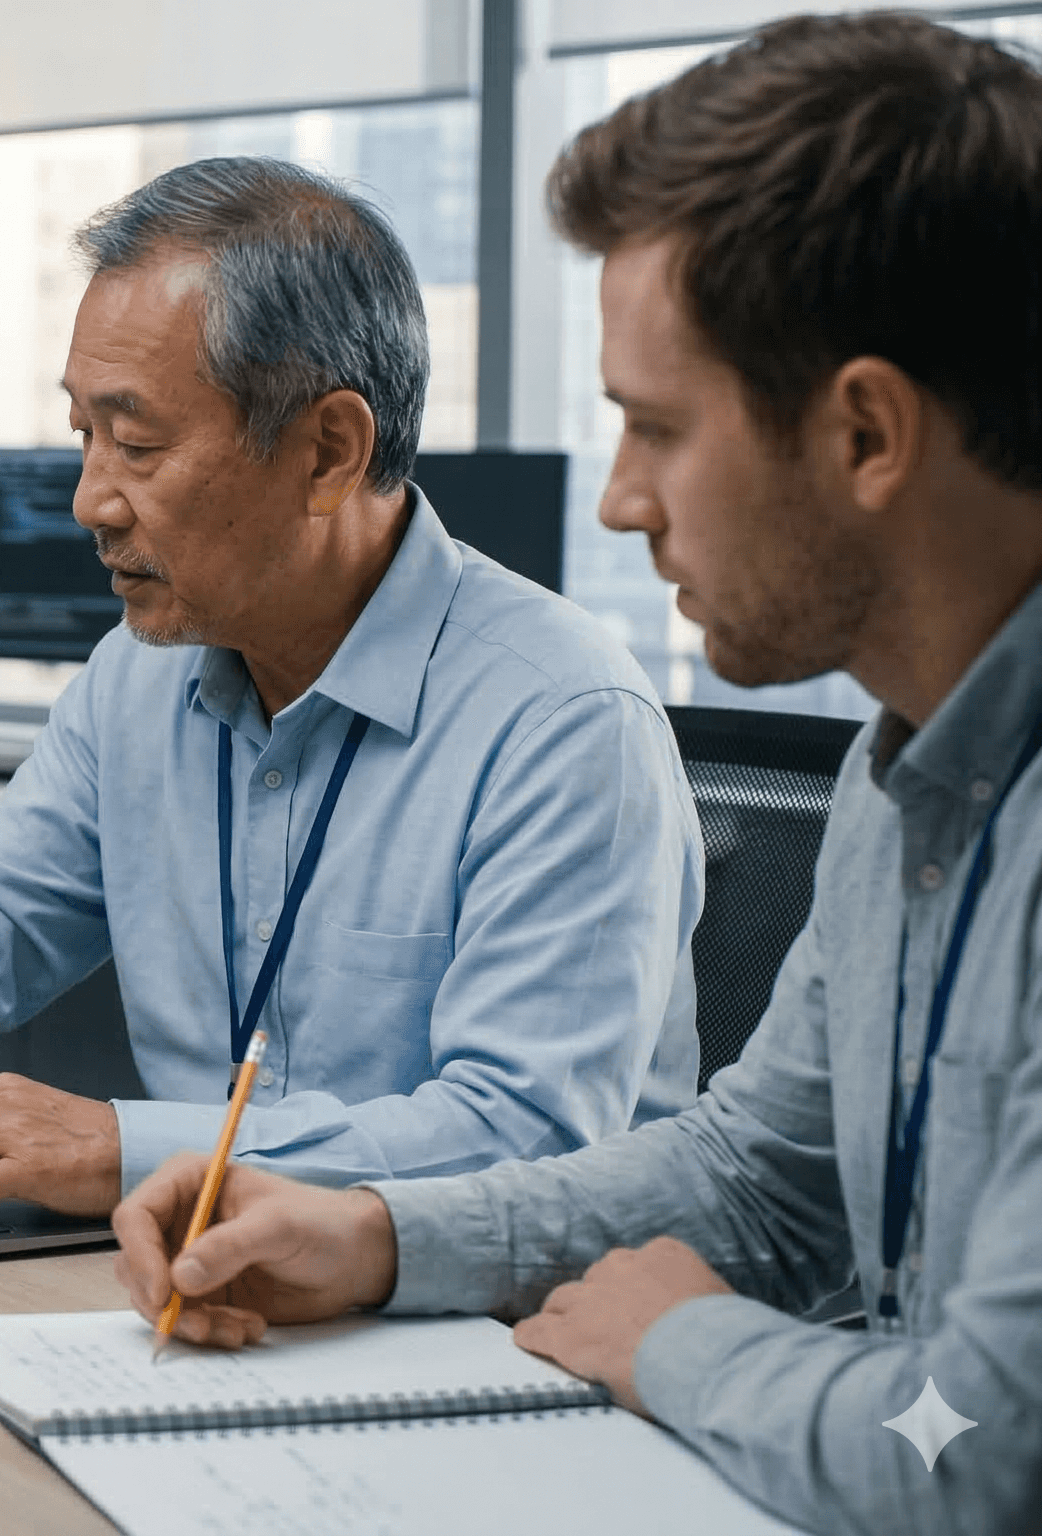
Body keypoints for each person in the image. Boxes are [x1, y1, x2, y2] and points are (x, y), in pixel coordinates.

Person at [114, 16, 1042, 1533]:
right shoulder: (907, 771)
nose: (618, 503)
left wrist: (680, 1345)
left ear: (866, 431)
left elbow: (981, 1451)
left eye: (656, 429)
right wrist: (380, 1238)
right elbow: (760, 1178)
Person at [0, 157, 705, 1225]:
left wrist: (126, 1151)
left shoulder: (561, 720)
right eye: (84, 435)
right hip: (206, 1293)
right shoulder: (137, 677)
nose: (86, 501)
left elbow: (519, 1140)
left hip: (502, 1338)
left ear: (328, 452)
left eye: (137, 443)